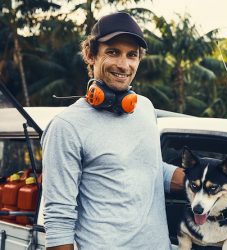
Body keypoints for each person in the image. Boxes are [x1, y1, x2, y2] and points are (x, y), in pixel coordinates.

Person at [41, 12, 184, 250]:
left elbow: (145, 168)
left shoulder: (145, 108)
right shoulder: (67, 127)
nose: (123, 65)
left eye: (132, 55)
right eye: (113, 52)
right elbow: (58, 220)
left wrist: (203, 178)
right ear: (90, 55)